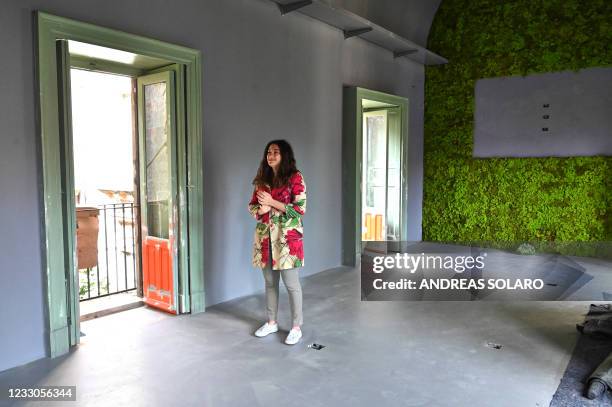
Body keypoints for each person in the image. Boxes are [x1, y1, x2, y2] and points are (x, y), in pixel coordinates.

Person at [248, 140, 307, 345]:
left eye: (275, 152)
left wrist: (272, 203)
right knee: (270, 283)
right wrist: (260, 211)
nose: (270, 155)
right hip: (265, 238)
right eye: (268, 152)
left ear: (284, 156)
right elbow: (252, 207)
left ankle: (296, 327)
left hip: (287, 240)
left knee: (291, 285)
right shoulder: (261, 181)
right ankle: (272, 322)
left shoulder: (295, 178)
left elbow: (300, 210)